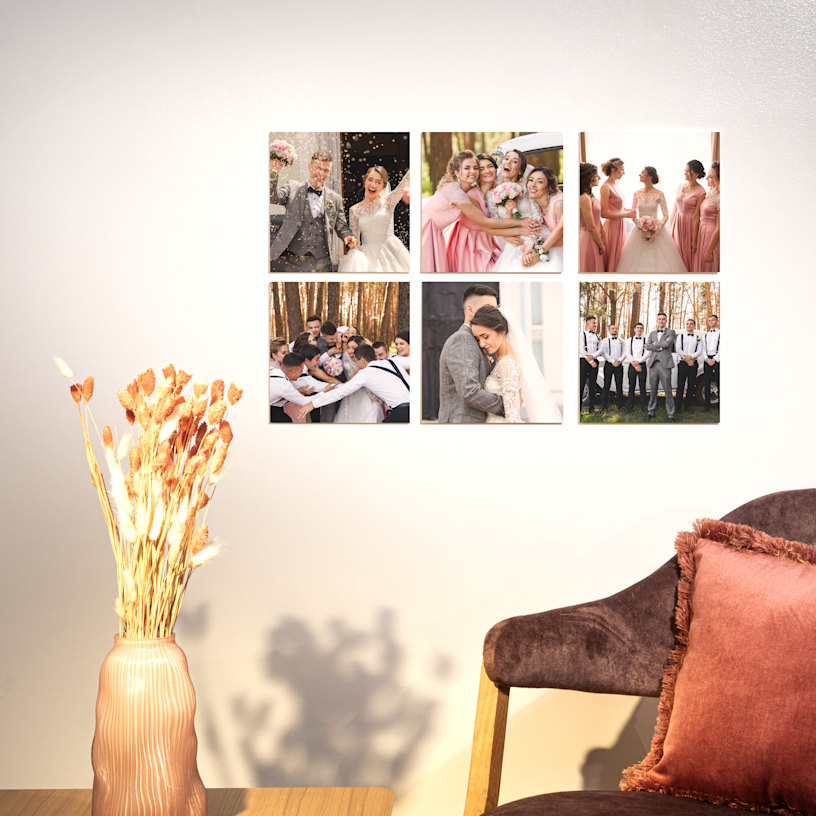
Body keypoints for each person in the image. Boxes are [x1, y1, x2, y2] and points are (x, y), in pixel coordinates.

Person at [421, 150, 534, 273]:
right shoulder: (461, 193)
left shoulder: (497, 189)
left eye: (475, 168)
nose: (473, 171)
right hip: (434, 231)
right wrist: (520, 226)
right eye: (467, 168)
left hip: (483, 241)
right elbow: (486, 223)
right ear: (457, 172)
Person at [470, 304, 561, 423]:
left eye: (485, 337)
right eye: (478, 339)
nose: (481, 344)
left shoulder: (507, 364)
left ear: (501, 331)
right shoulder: (503, 361)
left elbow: (512, 416)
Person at [270, 149, 357, 273]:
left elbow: (341, 226)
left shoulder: (335, 199)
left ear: (330, 171)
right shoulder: (292, 188)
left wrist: (348, 235)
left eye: (326, 170)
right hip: (292, 261)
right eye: (317, 168)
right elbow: (272, 197)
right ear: (310, 168)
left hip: (323, 263)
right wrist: (273, 174)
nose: (321, 173)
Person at [438, 284, 505, 423]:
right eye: (488, 308)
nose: (494, 313)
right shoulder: (462, 339)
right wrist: (508, 404)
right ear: (470, 309)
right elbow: (469, 392)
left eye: (495, 308)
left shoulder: (478, 341)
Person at [298, 344, 410, 423]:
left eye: (356, 361)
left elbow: (341, 392)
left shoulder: (365, 374)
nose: (356, 364)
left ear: (362, 360)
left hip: (402, 411)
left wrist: (313, 404)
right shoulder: (392, 362)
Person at [338, 166, 410, 273]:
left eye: (378, 182)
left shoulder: (389, 202)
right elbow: (355, 240)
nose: (373, 185)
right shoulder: (354, 210)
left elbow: (404, 182)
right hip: (366, 258)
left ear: (383, 186)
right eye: (370, 180)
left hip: (390, 252)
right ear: (365, 181)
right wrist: (352, 244)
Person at [617, 167, 686, 275]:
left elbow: (665, 215)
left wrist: (655, 231)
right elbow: (633, 214)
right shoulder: (636, 193)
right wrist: (641, 227)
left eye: (642, 172)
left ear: (649, 176)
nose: (639, 174)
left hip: (657, 231)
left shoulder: (659, 194)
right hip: (639, 231)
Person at [493, 167, 563, 272]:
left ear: (549, 187)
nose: (533, 185)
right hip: (544, 243)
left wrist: (538, 252)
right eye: (531, 180)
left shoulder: (558, 204)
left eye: (540, 182)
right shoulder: (536, 204)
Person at [333, 335, 383, 423]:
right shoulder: (346, 356)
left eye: (353, 348)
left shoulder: (364, 361)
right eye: (348, 347)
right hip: (349, 392)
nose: (350, 351)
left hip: (362, 393)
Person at [600, 158, 635, 273]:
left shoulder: (617, 185)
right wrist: (625, 214)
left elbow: (617, 206)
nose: (623, 172)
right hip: (612, 227)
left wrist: (628, 210)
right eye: (622, 170)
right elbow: (604, 213)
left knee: (620, 255)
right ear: (613, 169)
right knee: (613, 256)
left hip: (620, 225)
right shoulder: (605, 187)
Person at [671, 159, 707, 270]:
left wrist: (695, 240)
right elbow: (675, 207)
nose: (685, 173)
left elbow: (697, 215)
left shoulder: (701, 191)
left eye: (688, 171)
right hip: (677, 223)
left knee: (687, 254)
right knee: (675, 252)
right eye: (685, 170)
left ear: (696, 173)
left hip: (690, 225)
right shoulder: (679, 186)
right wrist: (670, 226)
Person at [270, 353, 323, 422]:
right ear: (293, 372)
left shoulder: (274, 370)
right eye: (301, 370)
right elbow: (304, 401)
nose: (301, 373)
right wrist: (324, 393)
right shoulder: (285, 386)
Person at [646, 312, 677, 421]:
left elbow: (667, 344)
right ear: (657, 320)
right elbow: (647, 346)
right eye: (659, 319)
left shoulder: (671, 332)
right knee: (653, 389)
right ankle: (651, 411)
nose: (661, 321)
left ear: (666, 321)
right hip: (653, 364)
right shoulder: (652, 333)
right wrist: (659, 346)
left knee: (667, 389)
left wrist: (655, 345)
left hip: (665, 364)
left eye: (663, 319)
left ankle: (671, 414)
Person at [692, 162, 720, 273]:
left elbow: (719, 228)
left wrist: (709, 250)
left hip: (711, 235)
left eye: (711, 176)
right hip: (702, 233)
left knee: (708, 266)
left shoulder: (720, 198)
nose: (706, 178)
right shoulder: (710, 193)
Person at [579, 163, 605, 273]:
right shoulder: (584, 198)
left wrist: (603, 233)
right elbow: (590, 227)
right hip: (589, 238)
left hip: (596, 237)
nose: (599, 178)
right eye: (597, 175)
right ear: (590, 177)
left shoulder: (590, 195)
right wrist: (601, 244)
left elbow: (597, 218)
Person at [675, 318, 703, 413]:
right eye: (687, 324)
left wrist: (691, 357)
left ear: (694, 326)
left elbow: (699, 351)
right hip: (683, 363)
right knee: (680, 385)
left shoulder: (698, 338)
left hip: (693, 363)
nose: (689, 326)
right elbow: (678, 349)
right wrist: (686, 359)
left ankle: (688, 406)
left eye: (691, 324)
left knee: (691, 386)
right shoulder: (680, 337)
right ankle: (677, 407)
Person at [596, 325, 625, 412]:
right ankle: (604, 405)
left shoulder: (621, 341)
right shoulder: (605, 340)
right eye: (613, 328)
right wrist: (612, 361)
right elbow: (603, 352)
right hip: (609, 364)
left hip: (619, 365)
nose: (615, 330)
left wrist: (619, 361)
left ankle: (620, 405)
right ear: (609, 330)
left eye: (616, 328)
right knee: (606, 385)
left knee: (619, 385)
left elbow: (625, 352)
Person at [625, 323, 650, 412]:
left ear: (643, 330)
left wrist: (638, 362)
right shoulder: (629, 340)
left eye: (641, 328)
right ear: (634, 329)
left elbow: (648, 353)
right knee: (631, 386)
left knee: (642, 386)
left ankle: (643, 406)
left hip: (642, 365)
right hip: (632, 365)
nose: (639, 330)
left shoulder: (646, 340)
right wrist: (634, 363)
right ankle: (629, 406)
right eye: (638, 328)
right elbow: (627, 353)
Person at [579, 316, 601, 414]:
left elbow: (600, 349)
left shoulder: (597, 336)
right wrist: (590, 361)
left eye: (595, 323)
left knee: (593, 385)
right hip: (584, 362)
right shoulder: (581, 335)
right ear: (587, 323)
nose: (595, 325)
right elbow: (581, 349)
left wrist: (593, 357)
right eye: (594, 323)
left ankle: (591, 408)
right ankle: (578, 408)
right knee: (581, 384)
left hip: (594, 361)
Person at [702, 314, 720, 408]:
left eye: (713, 320)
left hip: (717, 359)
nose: (711, 322)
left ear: (717, 321)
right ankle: (707, 405)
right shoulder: (706, 335)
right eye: (709, 320)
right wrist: (706, 358)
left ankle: (720, 405)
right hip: (707, 359)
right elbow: (703, 349)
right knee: (706, 382)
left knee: (719, 381)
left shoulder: (721, 333)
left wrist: (715, 359)